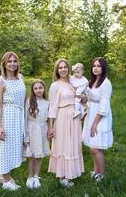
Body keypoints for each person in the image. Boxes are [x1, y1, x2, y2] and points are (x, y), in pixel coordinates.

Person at [47, 58, 84, 187]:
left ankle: (71, 172)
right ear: (57, 70)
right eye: (60, 67)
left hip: (75, 117)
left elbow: (82, 98)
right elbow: (51, 106)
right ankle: (62, 176)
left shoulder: (73, 82)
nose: (63, 69)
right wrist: (50, 127)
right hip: (62, 116)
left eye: (65, 67)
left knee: (73, 144)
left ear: (69, 68)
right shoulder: (55, 85)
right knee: (62, 145)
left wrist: (83, 98)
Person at [0, 52, 26, 191]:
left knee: (14, 146)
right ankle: (6, 181)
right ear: (4, 64)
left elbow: (24, 99)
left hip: (19, 116)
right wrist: (0, 126)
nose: (12, 64)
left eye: (15, 61)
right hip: (8, 117)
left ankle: (3, 175)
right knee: (5, 147)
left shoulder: (21, 78)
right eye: (9, 61)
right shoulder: (1, 81)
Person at [82, 57, 113, 182]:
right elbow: (89, 97)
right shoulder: (92, 81)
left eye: (98, 66)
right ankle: (96, 171)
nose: (95, 68)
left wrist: (95, 123)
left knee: (95, 147)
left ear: (103, 68)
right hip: (91, 113)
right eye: (94, 65)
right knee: (92, 146)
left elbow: (104, 104)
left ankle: (102, 174)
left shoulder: (106, 83)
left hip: (100, 116)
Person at [23, 79, 50, 189]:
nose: (38, 90)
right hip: (32, 129)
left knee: (39, 155)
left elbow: (49, 119)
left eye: (40, 88)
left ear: (44, 89)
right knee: (32, 156)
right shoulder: (29, 102)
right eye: (36, 88)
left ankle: (36, 176)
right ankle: (29, 177)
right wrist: (26, 135)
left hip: (42, 130)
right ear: (33, 90)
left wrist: (49, 130)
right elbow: (25, 119)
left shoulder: (47, 102)